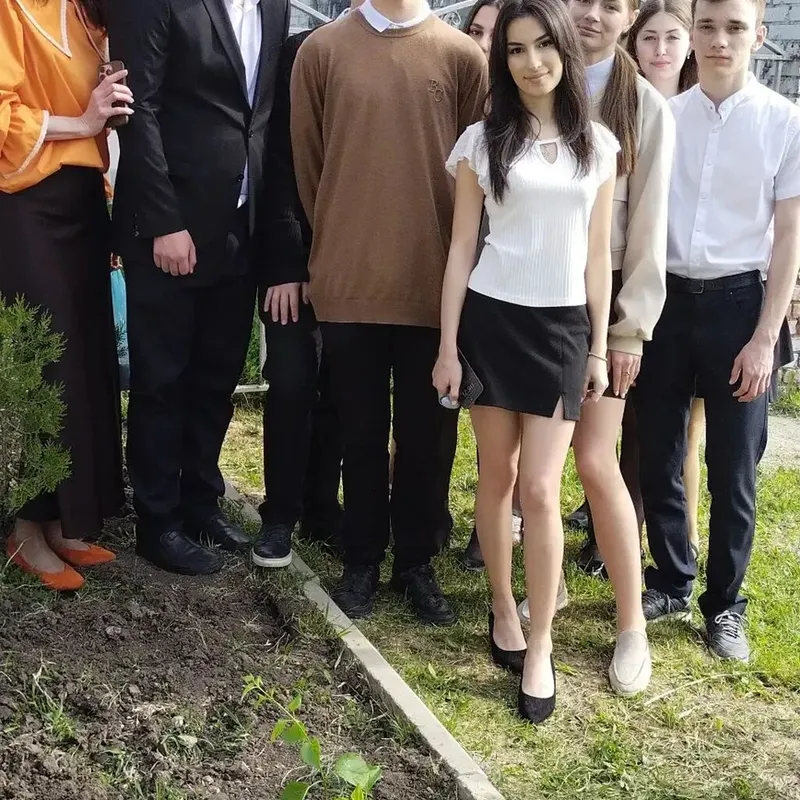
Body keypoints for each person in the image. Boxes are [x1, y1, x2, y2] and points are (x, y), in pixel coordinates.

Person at [433, 0, 618, 721]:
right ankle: (503, 610)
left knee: (541, 490)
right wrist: (448, 346)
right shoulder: (482, 142)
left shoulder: (598, 146)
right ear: (501, 60)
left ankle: (541, 644)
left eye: (543, 46)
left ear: (565, 50)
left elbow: (597, 257)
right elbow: (460, 249)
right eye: (514, 49)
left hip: (562, 330)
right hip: (491, 322)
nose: (531, 62)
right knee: (498, 477)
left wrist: (598, 346)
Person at [291, 0, 487, 625]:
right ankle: (361, 559)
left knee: (429, 437)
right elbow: (309, 164)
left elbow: (477, 171)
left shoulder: (462, 57)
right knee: (359, 431)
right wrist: (341, 234)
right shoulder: (321, 51)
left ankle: (416, 561)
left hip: (434, 284)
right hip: (350, 279)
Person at [635, 0, 800, 662]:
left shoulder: (783, 121)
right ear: (692, 33)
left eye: (735, 28)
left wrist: (765, 337)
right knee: (658, 451)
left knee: (733, 467)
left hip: (740, 304)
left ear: (758, 35)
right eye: (707, 26)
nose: (719, 40)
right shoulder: (664, 117)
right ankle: (672, 579)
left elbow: (789, 238)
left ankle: (725, 604)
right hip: (666, 301)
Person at [520, 0, 675, 695]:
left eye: (611, 4)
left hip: (602, 299)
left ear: (631, 14)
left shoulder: (644, 107)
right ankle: (545, 586)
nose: (592, 14)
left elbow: (647, 228)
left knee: (593, 458)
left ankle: (631, 621)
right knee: (531, 466)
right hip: (530, 295)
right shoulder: (534, 79)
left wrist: (627, 329)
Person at [109, 0, 289, 575]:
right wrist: (163, 221)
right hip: (171, 229)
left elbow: (262, 114)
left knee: (217, 376)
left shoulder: (275, 7)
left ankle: (200, 501)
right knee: (163, 380)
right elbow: (138, 107)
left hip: (240, 225)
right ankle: (157, 521)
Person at [0, 0, 126, 592]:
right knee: (44, 358)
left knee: (84, 354)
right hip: (26, 205)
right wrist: (84, 120)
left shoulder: (84, 12)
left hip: (81, 197)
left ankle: (63, 521)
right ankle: (26, 529)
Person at [250, 10, 353, 569]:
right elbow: (278, 158)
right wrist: (287, 264)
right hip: (294, 259)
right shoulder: (303, 50)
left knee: (339, 389)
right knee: (291, 384)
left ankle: (321, 508)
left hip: (355, 264)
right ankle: (280, 515)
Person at [628, 0, 702, 559]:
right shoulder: (624, 105)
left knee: (682, 428)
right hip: (635, 274)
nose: (660, 50)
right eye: (649, 37)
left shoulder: (699, 110)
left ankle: (685, 536)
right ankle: (618, 527)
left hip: (689, 282)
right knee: (629, 415)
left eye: (672, 38)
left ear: (689, 44)